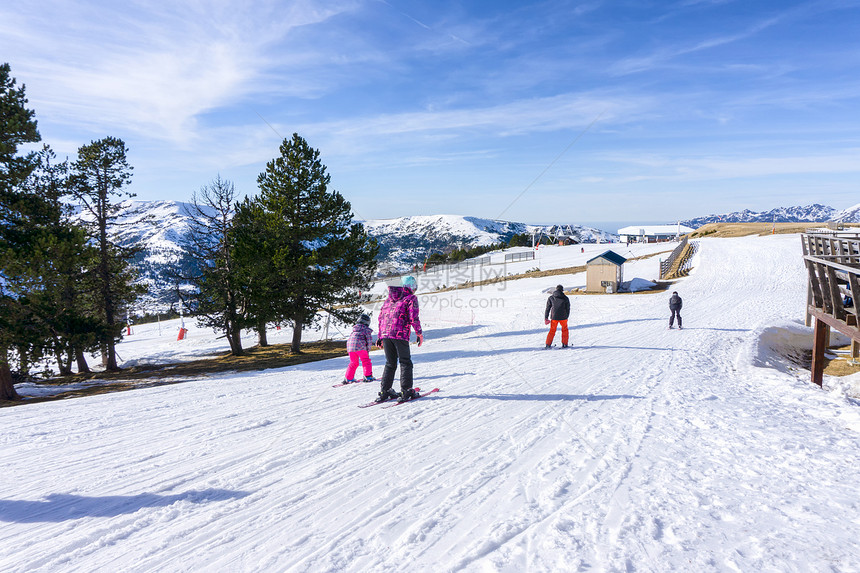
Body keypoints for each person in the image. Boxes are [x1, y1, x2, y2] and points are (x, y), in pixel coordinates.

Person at [375, 275, 424, 402]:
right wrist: (419, 333)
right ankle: (406, 390)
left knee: (390, 363)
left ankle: (385, 391)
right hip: (399, 334)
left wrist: (380, 337)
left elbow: (381, 318)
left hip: (386, 334)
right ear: (411, 287)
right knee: (405, 361)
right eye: (414, 287)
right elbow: (413, 317)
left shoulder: (388, 300)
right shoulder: (411, 298)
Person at [343, 313, 374, 384]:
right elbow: (369, 340)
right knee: (366, 361)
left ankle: (348, 378)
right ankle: (368, 376)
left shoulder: (354, 330)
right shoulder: (366, 330)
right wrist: (368, 350)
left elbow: (350, 340)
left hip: (351, 347)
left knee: (353, 362)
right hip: (361, 347)